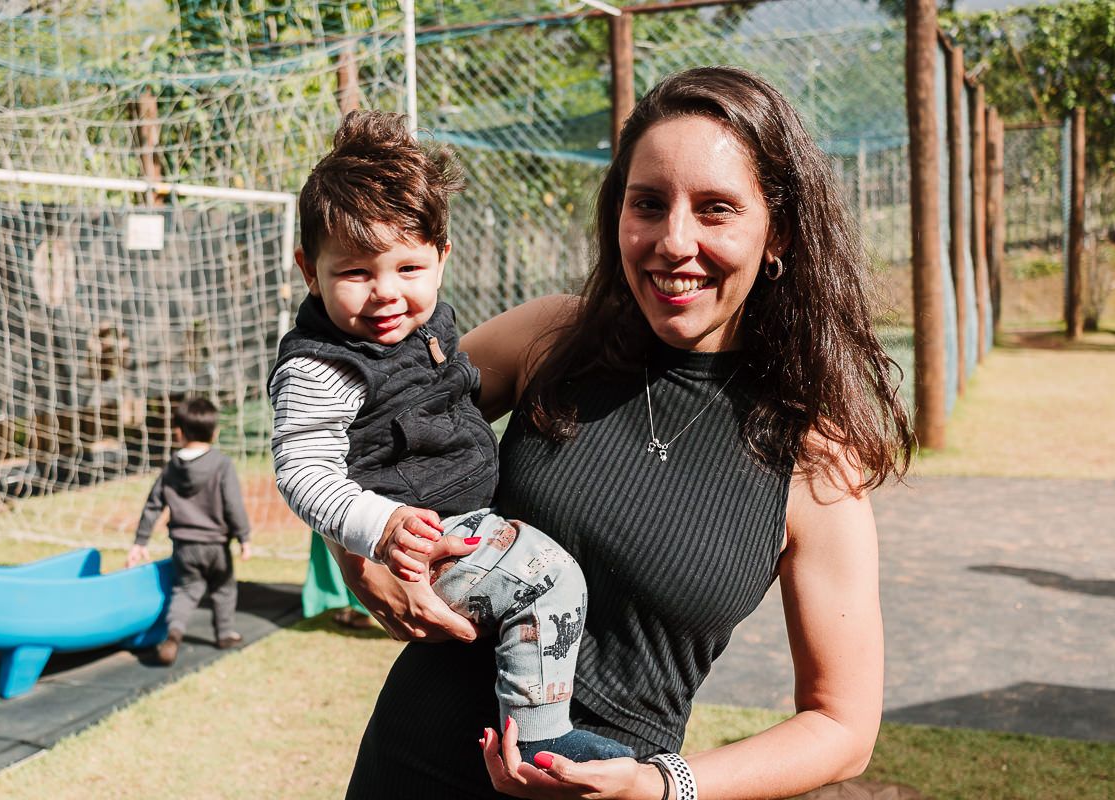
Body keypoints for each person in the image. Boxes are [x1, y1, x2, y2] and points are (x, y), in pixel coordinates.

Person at [339, 65, 914, 799]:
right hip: (407, 771)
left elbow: (841, 728)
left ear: (779, 234)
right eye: (648, 204)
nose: (674, 241)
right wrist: (358, 548)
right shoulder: (550, 339)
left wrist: (659, 785)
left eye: (715, 209)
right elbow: (363, 427)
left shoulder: (814, 464)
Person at [267, 110, 633, 763]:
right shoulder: (321, 366)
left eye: (408, 269)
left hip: (467, 522)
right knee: (549, 581)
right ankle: (541, 735)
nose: (386, 293)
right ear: (307, 269)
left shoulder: (430, 327)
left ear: (442, 258)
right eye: (355, 273)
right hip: (424, 542)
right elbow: (301, 471)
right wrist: (376, 530)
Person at [126, 397, 252, 666]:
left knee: (186, 590)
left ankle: (174, 633)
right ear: (215, 432)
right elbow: (233, 504)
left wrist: (140, 541)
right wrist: (244, 537)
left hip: (184, 547)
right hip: (216, 546)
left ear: (178, 432)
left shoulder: (171, 467)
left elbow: (153, 505)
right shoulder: (221, 464)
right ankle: (225, 633)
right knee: (223, 588)